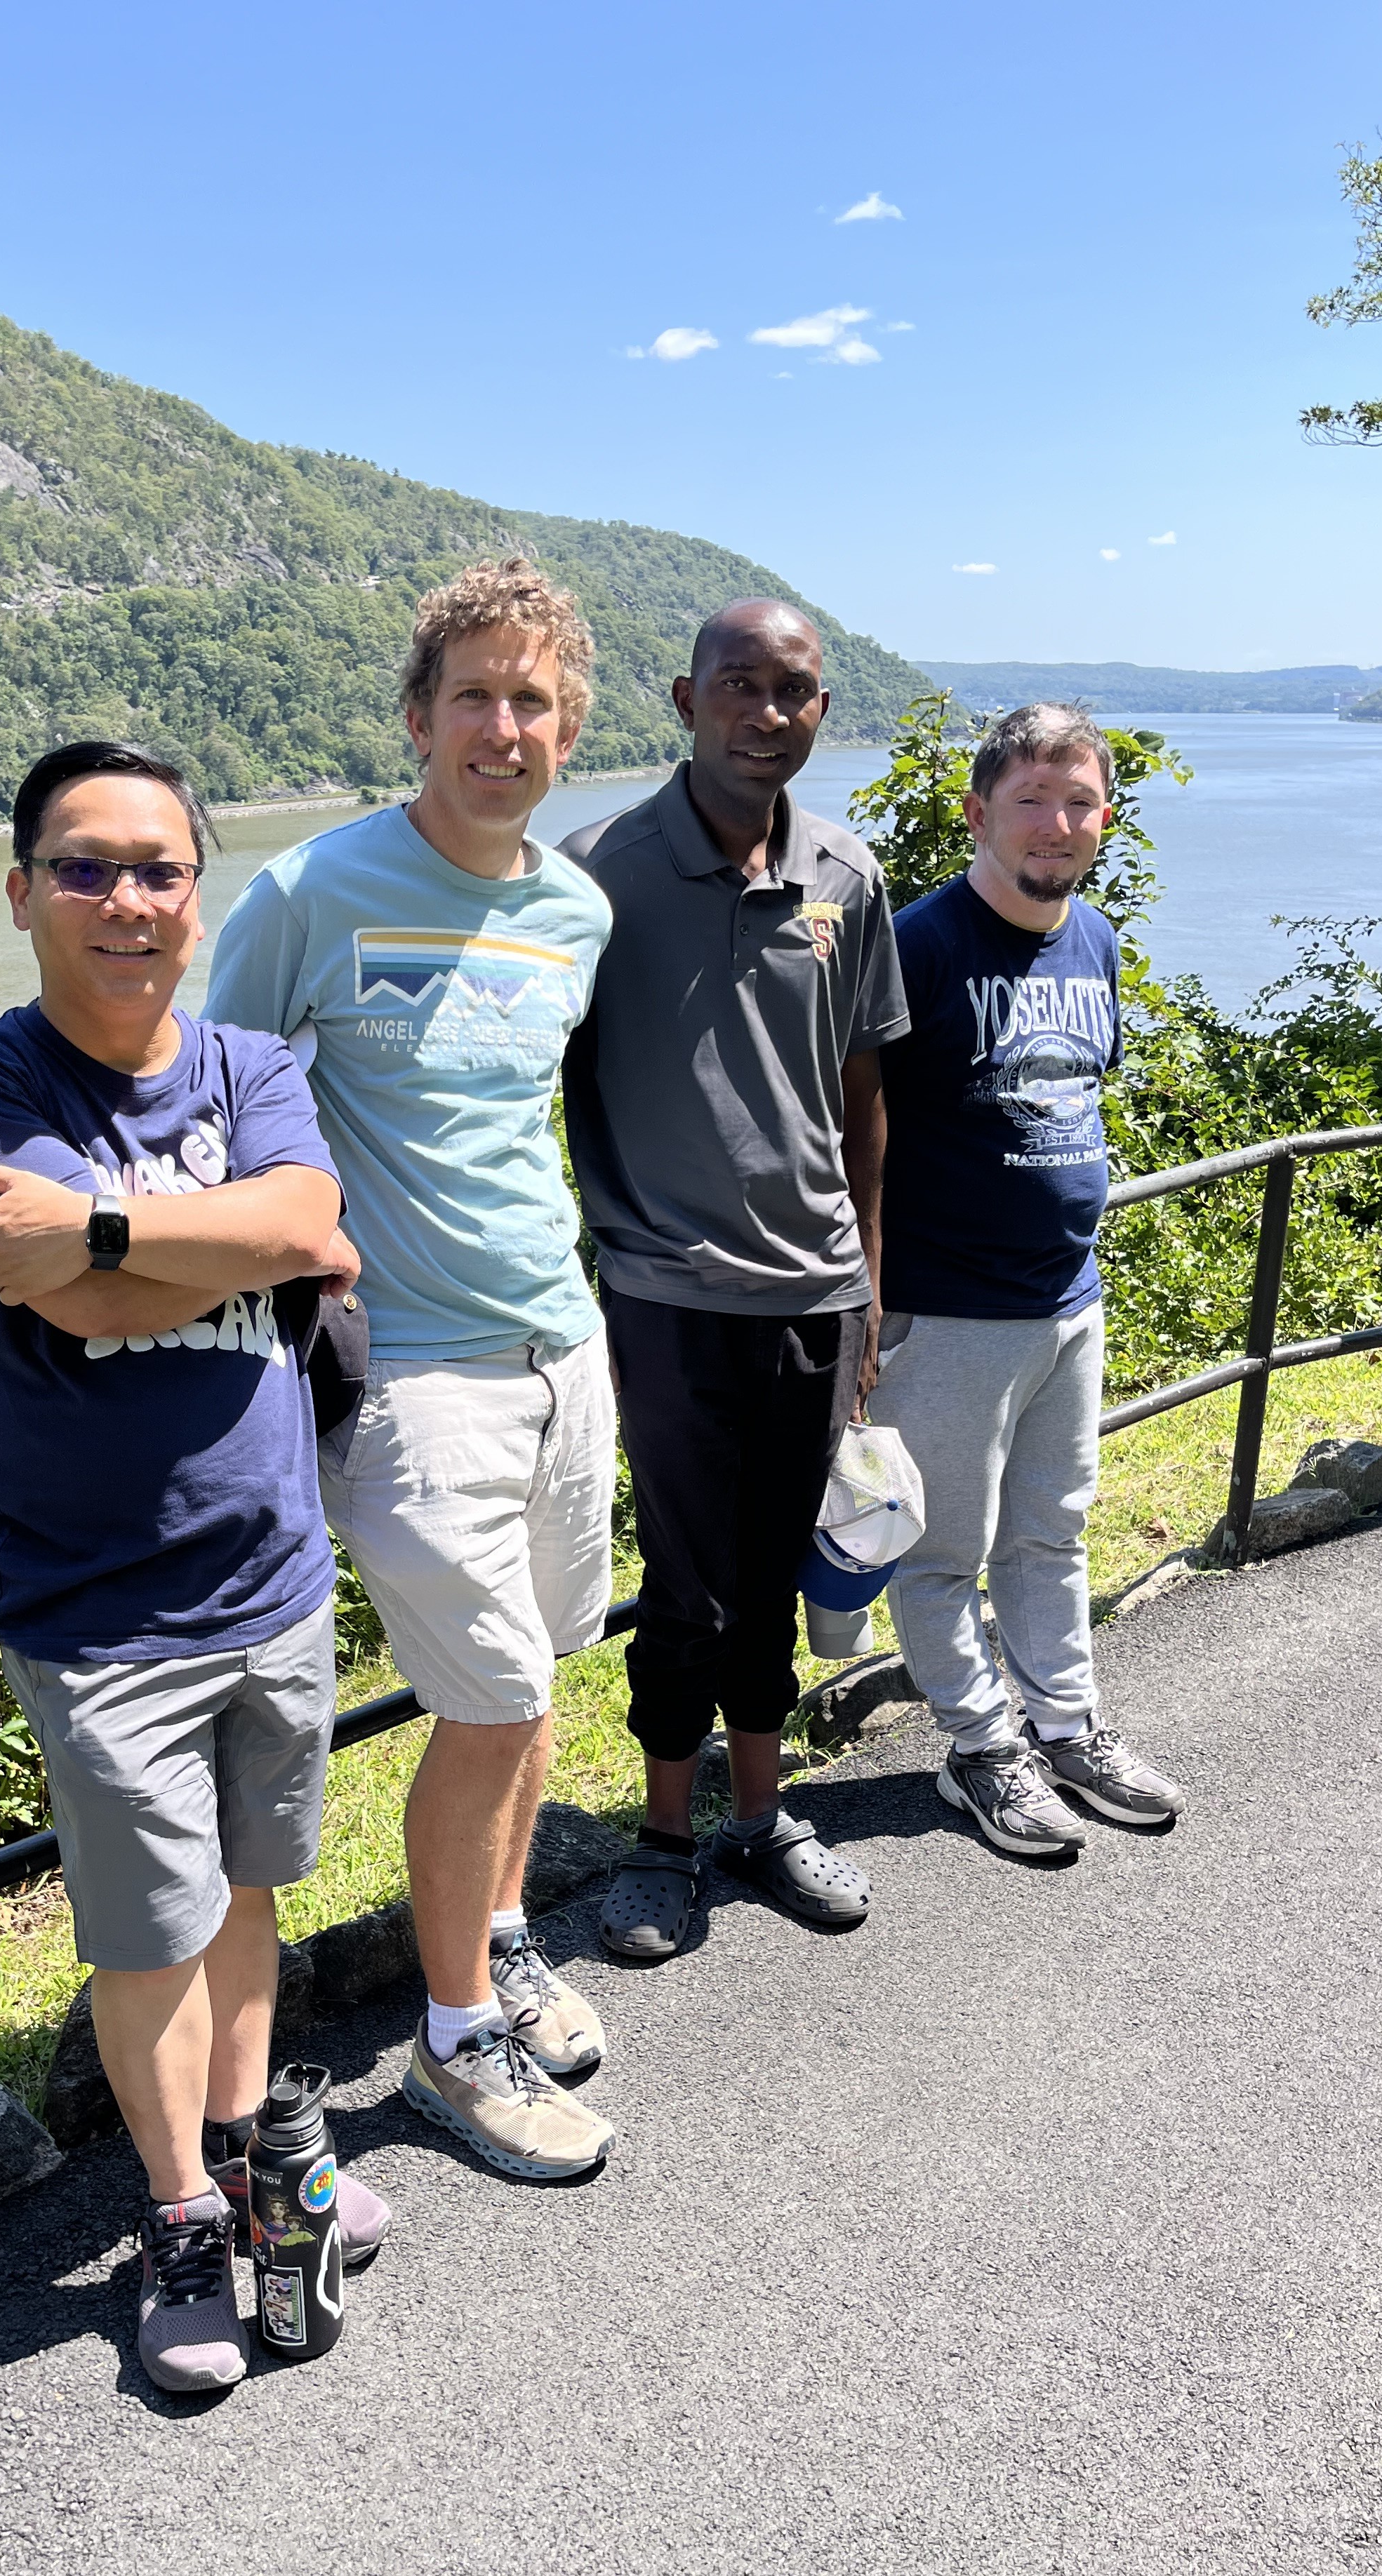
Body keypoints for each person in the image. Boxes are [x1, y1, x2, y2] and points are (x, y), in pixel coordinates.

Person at [0, 739, 391, 2401]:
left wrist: (101, 1230)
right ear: (24, 889)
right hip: (101, 1606)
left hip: (274, 1569)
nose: (128, 900)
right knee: (146, 1936)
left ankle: (258, 2175)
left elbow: (309, 1226)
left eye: (160, 870)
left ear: (202, 891)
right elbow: (95, 1313)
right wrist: (207, 1241)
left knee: (250, 1896)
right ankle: (182, 2217)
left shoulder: (253, 1064)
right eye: (89, 867)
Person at [204, 559, 618, 2181]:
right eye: (474, 696)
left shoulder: (572, 909)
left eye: (531, 701)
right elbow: (211, 1102)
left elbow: (524, 1125)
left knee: (537, 1686)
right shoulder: (313, 890)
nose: (500, 727)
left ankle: (499, 1934)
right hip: (411, 1379)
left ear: (566, 727)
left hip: (561, 1348)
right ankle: (454, 2047)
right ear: (419, 714)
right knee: (494, 1697)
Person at [561, 601, 909, 1960]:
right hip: (667, 1293)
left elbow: (866, 1096)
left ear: (823, 707)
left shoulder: (846, 876)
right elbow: (538, 1079)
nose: (768, 713)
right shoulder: (595, 876)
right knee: (687, 1585)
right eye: (740, 686)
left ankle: (761, 1819)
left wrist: (871, 1284)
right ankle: (661, 1838)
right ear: (684, 697)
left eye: (797, 690)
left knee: (774, 1577)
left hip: (817, 1295)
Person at [875, 701, 1185, 1854]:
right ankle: (980, 1751)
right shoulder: (920, 946)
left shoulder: (1095, 939)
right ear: (977, 814)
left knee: (1053, 1530)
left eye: (1078, 802)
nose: (1056, 825)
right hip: (947, 1308)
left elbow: (1079, 1093)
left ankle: (1068, 1725)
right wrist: (868, 1299)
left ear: (1104, 814)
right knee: (943, 1549)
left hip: (1069, 1297)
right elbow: (854, 1132)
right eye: (1030, 802)